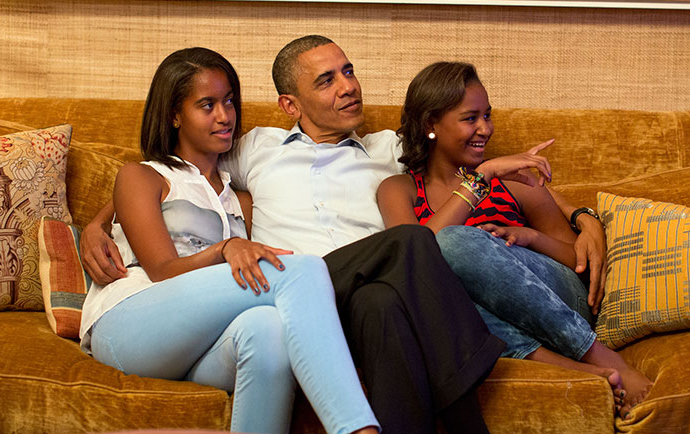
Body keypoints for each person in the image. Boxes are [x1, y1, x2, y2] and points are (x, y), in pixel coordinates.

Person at [82, 37, 512, 434]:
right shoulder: (254, 148)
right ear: (290, 104)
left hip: (349, 300)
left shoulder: (388, 150)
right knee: (403, 242)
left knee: (378, 301)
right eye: (327, 80)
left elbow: (460, 146)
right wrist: (97, 225)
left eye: (349, 71)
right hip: (292, 286)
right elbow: (161, 175)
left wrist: (580, 216)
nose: (348, 87)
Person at [79, 47, 379, 434]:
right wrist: (223, 248)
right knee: (299, 271)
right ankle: (357, 429)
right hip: (129, 324)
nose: (225, 116)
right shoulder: (144, 175)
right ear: (174, 115)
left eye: (229, 101)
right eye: (207, 105)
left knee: (268, 328)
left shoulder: (239, 197)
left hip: (197, 341)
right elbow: (163, 272)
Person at [376, 61, 653, 418]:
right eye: (470, 118)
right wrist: (481, 178)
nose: (485, 129)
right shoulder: (398, 189)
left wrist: (531, 237)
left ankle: (599, 354)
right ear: (431, 124)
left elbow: (575, 263)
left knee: (457, 243)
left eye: (487, 116)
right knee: (430, 291)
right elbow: (414, 260)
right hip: (476, 318)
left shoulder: (515, 181)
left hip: (558, 302)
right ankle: (576, 370)